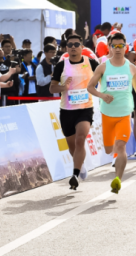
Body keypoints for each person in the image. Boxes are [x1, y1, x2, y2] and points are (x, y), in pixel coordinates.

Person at [86, 33, 136, 193]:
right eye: (115, 46)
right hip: (107, 114)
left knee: (121, 146)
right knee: (109, 149)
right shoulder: (103, 67)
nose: (118, 49)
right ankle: (114, 155)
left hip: (124, 113)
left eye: (121, 46)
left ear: (125, 47)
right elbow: (90, 87)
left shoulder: (131, 67)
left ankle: (117, 179)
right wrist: (102, 95)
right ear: (110, 47)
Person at [49, 34, 99, 190]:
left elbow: (104, 78)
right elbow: (52, 88)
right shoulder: (61, 65)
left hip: (85, 109)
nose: (73, 47)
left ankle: (75, 175)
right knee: (72, 145)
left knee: (80, 139)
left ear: (82, 47)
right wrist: (63, 87)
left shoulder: (91, 62)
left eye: (76, 44)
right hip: (67, 111)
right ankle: (80, 165)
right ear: (66, 48)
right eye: (70, 45)